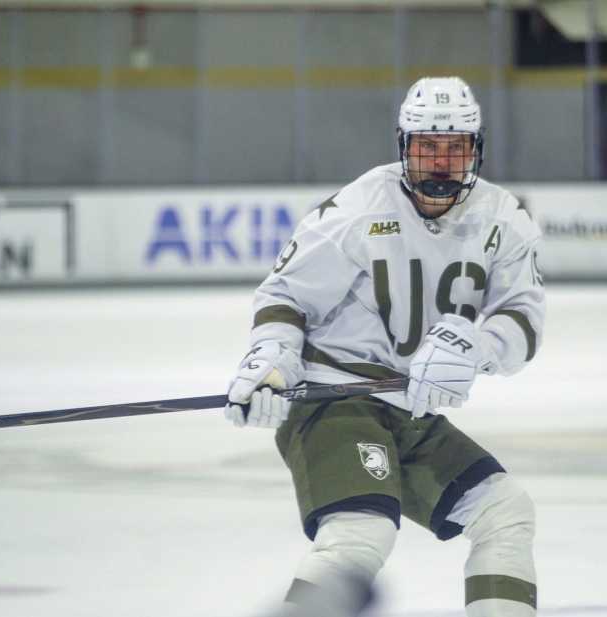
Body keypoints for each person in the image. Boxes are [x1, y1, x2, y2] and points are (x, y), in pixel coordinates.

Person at [224, 76, 545, 617]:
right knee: (360, 532)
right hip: (334, 400)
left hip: (409, 409)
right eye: (427, 147)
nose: (441, 162)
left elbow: (523, 319)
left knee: (505, 511)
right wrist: (271, 362)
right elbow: (285, 297)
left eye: (455, 148)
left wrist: (477, 348)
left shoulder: (504, 218)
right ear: (403, 147)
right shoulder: (356, 211)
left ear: (476, 150)